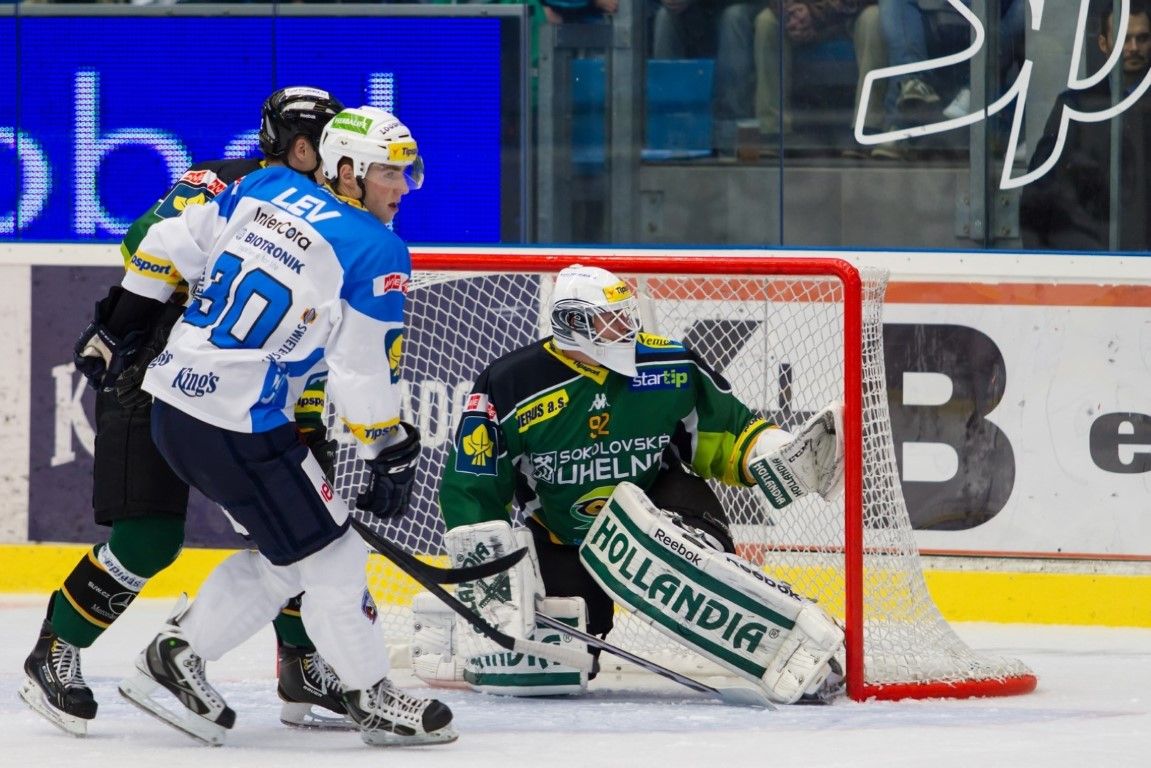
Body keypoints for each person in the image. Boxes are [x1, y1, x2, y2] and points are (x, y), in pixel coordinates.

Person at [19, 86, 352, 738]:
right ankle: (52, 651)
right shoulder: (221, 182)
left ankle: (302, 666)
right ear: (304, 144)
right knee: (149, 539)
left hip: (260, 392)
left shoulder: (341, 214)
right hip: (156, 374)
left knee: (296, 530)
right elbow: (145, 239)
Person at [418, 264, 847, 706]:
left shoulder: (669, 363)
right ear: (572, 322)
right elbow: (474, 482)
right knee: (562, 664)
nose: (628, 328)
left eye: (628, 315)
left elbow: (726, 431)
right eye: (612, 319)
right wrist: (490, 574)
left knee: (682, 553)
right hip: (562, 535)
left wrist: (774, 453)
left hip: (662, 503)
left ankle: (781, 634)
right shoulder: (511, 382)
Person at [1020, 0, 1151, 250]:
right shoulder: (1076, 106)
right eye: (1124, 38)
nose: (1134, 47)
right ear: (1103, 43)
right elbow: (1039, 190)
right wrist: (1041, 271)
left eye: (1142, 38)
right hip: (1088, 262)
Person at [753, 0, 889, 156]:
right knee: (767, 22)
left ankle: (866, 130)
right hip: (800, 11)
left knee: (873, 18)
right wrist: (790, 11)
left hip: (848, 15)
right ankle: (774, 132)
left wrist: (815, 13)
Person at [651, 0, 770, 155]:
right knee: (664, 17)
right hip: (695, 11)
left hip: (740, 6)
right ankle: (668, 127)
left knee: (733, 18)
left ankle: (731, 133)